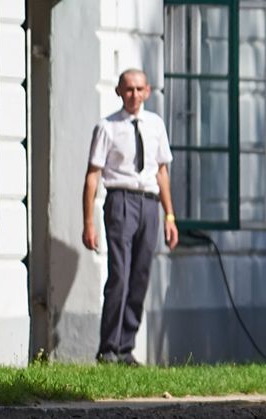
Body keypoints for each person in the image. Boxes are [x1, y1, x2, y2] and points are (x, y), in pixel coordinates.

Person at [82, 69, 179, 366]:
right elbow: (92, 176)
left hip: (149, 203)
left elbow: (162, 172)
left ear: (147, 91)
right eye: (128, 89)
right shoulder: (107, 127)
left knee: (140, 275)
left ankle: (126, 347)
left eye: (139, 89)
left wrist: (169, 215)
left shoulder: (155, 125)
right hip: (121, 201)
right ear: (119, 92)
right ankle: (108, 348)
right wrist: (88, 222)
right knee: (120, 275)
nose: (134, 95)